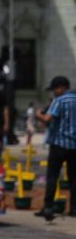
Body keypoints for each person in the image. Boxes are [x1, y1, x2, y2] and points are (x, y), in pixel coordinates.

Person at [35, 76, 76, 222]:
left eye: (54, 89)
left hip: (58, 144)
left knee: (52, 176)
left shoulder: (59, 101)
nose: (54, 93)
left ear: (61, 87)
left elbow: (47, 119)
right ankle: (73, 209)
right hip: (74, 147)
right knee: (73, 179)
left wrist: (38, 115)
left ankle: (48, 207)